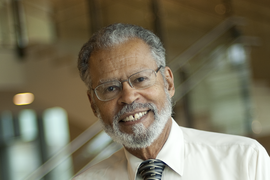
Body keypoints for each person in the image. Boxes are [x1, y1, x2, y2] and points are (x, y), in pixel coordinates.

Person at [74, 23, 270, 180]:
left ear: (168, 82)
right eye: (110, 88)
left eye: (140, 79)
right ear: (93, 104)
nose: (128, 97)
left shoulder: (244, 160)